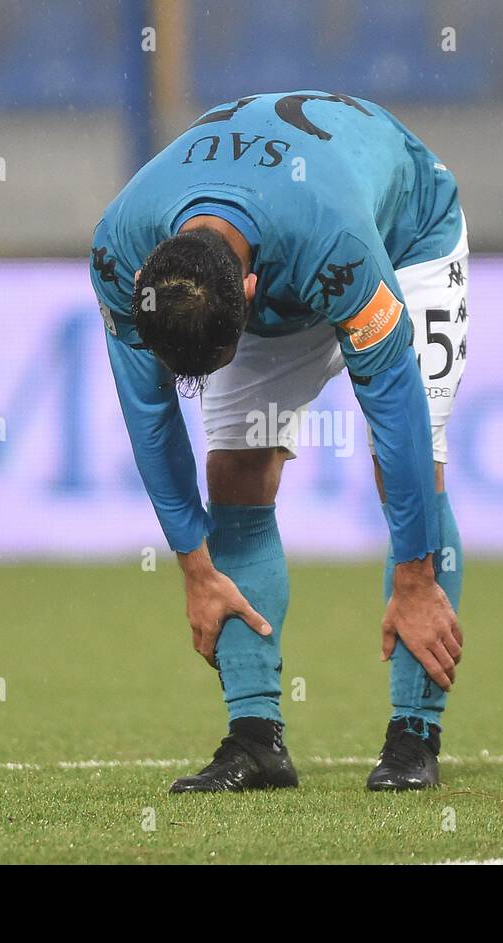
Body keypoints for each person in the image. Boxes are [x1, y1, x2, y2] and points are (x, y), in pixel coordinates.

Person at [90, 91, 468, 792]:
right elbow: (150, 416)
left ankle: (414, 734)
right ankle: (255, 740)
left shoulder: (338, 244)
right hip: (283, 239)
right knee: (235, 468)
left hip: (405, 234)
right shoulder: (121, 252)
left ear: (253, 292)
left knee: (416, 468)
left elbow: (396, 411)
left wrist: (416, 577)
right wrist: (194, 567)